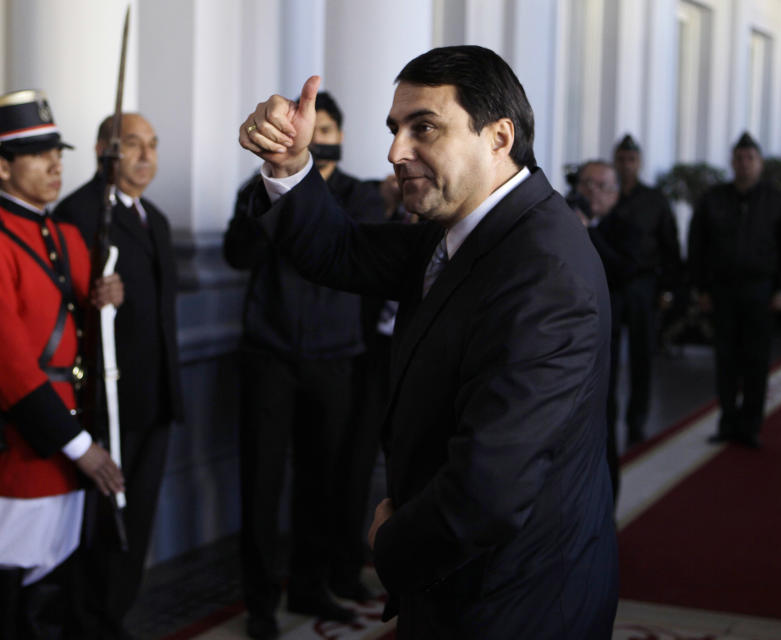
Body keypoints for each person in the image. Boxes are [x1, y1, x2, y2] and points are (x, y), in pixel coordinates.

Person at [237, 45, 618, 638]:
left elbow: (490, 488)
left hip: (512, 602)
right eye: (396, 129)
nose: (395, 152)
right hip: (466, 583)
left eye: (425, 128)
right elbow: (340, 250)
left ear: (499, 136)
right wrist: (290, 165)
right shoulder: (466, 230)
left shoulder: (544, 270)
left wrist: (391, 542)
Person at [0, 89, 125, 640]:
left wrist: (107, 300)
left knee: (53, 583)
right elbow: (6, 367)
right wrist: (80, 447)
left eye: (58, 151)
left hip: (72, 428)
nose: (56, 164)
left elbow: (83, 341)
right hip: (24, 445)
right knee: (6, 588)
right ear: (1, 166)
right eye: (37, 153)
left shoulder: (69, 236)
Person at [224, 91, 383, 638]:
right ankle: (261, 601)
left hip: (335, 358)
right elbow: (237, 254)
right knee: (261, 486)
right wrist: (276, 187)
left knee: (324, 481)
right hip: (269, 355)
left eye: (327, 126)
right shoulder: (259, 186)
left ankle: (312, 584)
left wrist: (302, 190)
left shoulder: (360, 195)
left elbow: (344, 250)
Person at [54, 112, 184, 640]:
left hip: (155, 395)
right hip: (104, 398)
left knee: (137, 519)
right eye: (133, 144)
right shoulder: (78, 214)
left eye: (153, 144)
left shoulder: (155, 216)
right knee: (102, 523)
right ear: (103, 150)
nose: (147, 155)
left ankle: (113, 617)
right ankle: (88, 622)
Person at [688, 132, 781, 449]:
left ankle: (750, 424)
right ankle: (727, 421)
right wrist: (700, 287)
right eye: (739, 158)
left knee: (755, 360)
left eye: (750, 158)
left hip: (761, 291)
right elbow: (698, 245)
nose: (744, 164)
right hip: (722, 290)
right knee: (725, 360)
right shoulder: (714, 198)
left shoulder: (778, 200)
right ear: (732, 162)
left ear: (760, 163)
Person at [573, 160, 641, 500]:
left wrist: (588, 231)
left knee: (602, 418)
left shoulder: (626, 228)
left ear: (615, 194)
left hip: (604, 338)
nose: (592, 192)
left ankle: (605, 502)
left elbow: (622, 271)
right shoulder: (563, 219)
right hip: (564, 337)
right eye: (587, 184)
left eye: (602, 186)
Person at [611, 134, 681, 447]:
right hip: (610, 285)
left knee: (642, 357)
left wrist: (668, 288)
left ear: (639, 163)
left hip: (643, 285)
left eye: (632, 160)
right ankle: (605, 420)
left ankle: (637, 421)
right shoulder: (606, 196)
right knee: (605, 358)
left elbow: (670, 246)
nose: (627, 165)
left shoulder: (654, 199)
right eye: (622, 159)